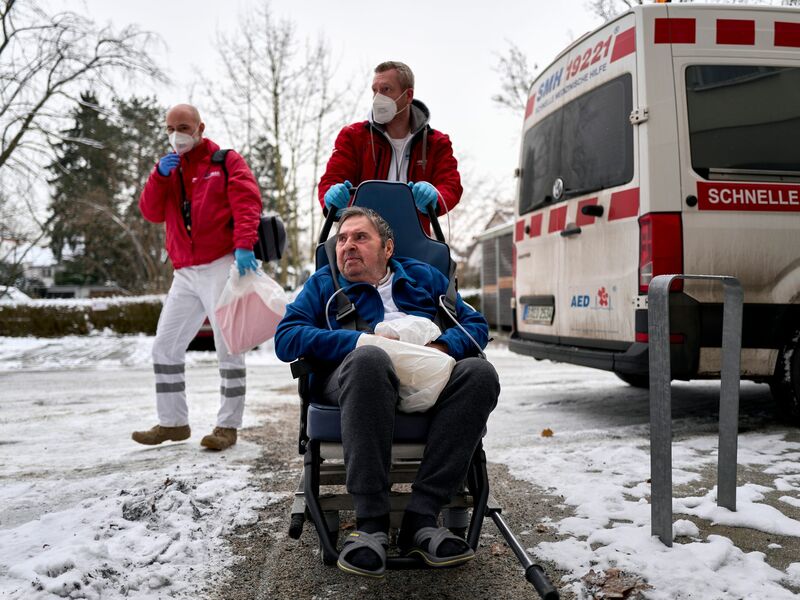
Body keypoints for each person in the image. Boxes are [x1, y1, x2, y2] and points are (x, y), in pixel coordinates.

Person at [274, 206, 499, 578]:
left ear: (388, 248)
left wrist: (442, 347)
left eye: (360, 237)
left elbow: (475, 325)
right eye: (342, 239)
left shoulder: (425, 278)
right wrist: (357, 341)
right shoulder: (324, 284)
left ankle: (421, 519)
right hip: (354, 379)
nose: (347, 245)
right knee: (370, 359)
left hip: (428, 376)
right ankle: (371, 525)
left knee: (479, 373)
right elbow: (286, 338)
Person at [132, 103, 262, 451]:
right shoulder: (168, 169)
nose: (177, 135)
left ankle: (227, 426)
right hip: (184, 271)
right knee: (165, 346)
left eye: (184, 127)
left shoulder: (225, 161)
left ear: (200, 128)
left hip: (220, 264)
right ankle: (173, 422)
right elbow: (151, 212)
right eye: (170, 128)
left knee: (228, 345)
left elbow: (247, 203)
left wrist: (244, 246)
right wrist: (158, 176)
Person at [318, 61, 463, 232]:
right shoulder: (353, 137)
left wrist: (435, 198)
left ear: (408, 95)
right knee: (328, 249)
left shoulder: (436, 143)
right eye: (375, 90)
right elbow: (331, 180)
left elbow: (451, 185)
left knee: (440, 251)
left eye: (386, 89)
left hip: (414, 237)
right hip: (362, 237)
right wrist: (331, 198)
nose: (377, 98)